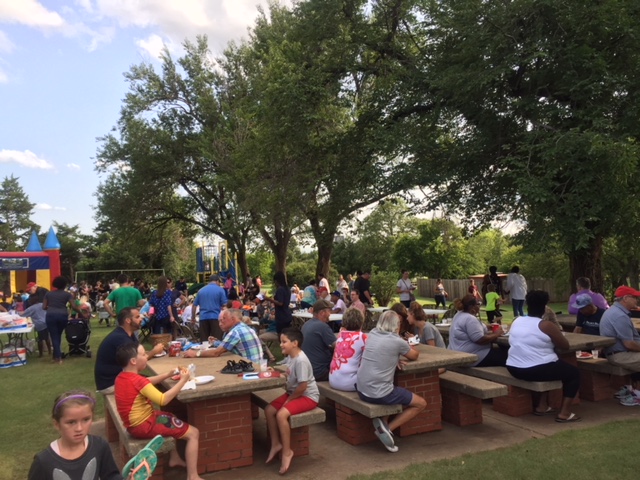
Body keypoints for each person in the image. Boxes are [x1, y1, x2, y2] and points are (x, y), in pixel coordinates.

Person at [114, 343, 204, 480]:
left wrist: (168, 374)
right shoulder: (137, 381)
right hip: (144, 426)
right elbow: (163, 400)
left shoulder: (122, 377)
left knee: (171, 416)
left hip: (134, 425)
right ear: (133, 361)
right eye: (144, 354)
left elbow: (146, 381)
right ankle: (193, 476)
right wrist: (183, 380)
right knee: (194, 433)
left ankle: (174, 458)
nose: (146, 356)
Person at [356, 310, 426, 453]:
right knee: (420, 404)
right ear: (397, 325)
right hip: (379, 393)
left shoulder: (372, 334)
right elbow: (414, 356)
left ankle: (383, 424)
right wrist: (410, 343)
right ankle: (386, 429)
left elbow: (381, 352)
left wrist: (394, 359)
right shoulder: (397, 341)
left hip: (362, 389)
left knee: (391, 390)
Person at [507, 290, 581, 422]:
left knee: (549, 364)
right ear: (545, 307)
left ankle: (542, 406)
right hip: (534, 369)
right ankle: (565, 413)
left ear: (527, 305)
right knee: (573, 374)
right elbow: (565, 346)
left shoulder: (517, 320)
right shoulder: (546, 325)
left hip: (514, 367)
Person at [28, 390, 122, 480]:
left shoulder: (100, 446)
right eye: (71, 422)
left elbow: (111, 476)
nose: (79, 428)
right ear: (57, 424)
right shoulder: (44, 461)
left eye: (86, 420)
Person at [264, 328, 319, 475]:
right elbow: (288, 373)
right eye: (281, 341)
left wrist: (289, 400)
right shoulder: (291, 356)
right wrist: (275, 371)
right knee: (269, 410)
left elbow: (303, 386)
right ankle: (276, 444)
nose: (281, 345)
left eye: (284, 342)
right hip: (294, 393)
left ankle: (287, 452)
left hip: (308, 396)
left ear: (295, 343)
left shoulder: (301, 360)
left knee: (281, 415)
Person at [94, 307, 164, 393]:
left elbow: (138, 354)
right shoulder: (121, 338)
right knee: (160, 384)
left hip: (119, 377)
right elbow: (136, 361)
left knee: (160, 382)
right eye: (137, 317)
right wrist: (154, 351)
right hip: (111, 383)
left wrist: (150, 353)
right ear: (128, 320)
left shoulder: (127, 333)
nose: (141, 318)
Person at [599, 285, 640, 405]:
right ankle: (636, 395)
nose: (637, 300)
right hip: (619, 354)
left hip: (618, 352)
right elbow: (629, 344)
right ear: (626, 298)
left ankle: (634, 391)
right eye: (635, 298)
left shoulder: (614, 311)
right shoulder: (619, 316)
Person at [448, 294, 507, 367]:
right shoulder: (470, 319)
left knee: (501, 350)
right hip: (472, 357)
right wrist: (496, 334)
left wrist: (486, 326)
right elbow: (480, 340)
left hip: (458, 353)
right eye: (478, 304)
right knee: (508, 356)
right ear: (473, 307)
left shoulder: (459, 314)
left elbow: (473, 328)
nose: (479, 306)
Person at [183, 308, 262, 362]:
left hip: (251, 369)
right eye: (219, 321)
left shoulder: (235, 332)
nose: (220, 324)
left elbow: (216, 353)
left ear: (233, 319)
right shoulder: (244, 327)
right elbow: (228, 346)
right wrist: (216, 342)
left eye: (223, 320)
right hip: (258, 365)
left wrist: (196, 353)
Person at [43, 276, 89, 364]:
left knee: (54, 336)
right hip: (62, 315)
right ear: (64, 285)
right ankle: (56, 356)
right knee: (58, 335)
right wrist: (82, 314)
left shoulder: (48, 294)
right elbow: (74, 306)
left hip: (51, 315)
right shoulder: (67, 295)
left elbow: (44, 307)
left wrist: (51, 307)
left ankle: (57, 357)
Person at [329, 308, 367, 391]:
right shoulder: (362, 337)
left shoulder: (341, 335)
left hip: (333, 380)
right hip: (349, 383)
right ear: (361, 322)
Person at [300, 299, 336, 381]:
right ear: (322, 313)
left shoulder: (306, 324)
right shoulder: (323, 327)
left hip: (307, 370)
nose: (330, 314)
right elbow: (338, 346)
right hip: (319, 372)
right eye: (329, 311)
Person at [193, 274, 227, 342]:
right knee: (216, 340)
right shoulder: (220, 290)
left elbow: (194, 305)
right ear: (217, 281)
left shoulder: (201, 290)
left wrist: (192, 317)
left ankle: (205, 352)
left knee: (204, 341)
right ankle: (215, 352)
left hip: (203, 318)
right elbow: (224, 306)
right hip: (215, 317)